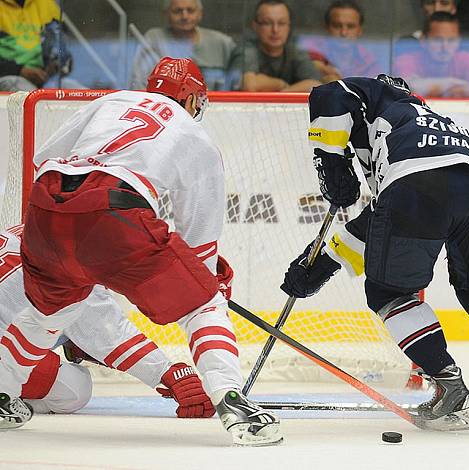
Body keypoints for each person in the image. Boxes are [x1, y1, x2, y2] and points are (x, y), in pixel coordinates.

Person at [0, 57, 282, 446]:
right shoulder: (197, 138)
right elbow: (199, 244)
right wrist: (204, 281)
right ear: (192, 100)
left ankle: (1, 394)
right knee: (204, 306)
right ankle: (233, 401)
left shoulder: (113, 100)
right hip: (113, 211)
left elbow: (43, 157)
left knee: (47, 312)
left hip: (45, 207)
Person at [281, 75, 469, 432]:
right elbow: (378, 221)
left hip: (418, 190)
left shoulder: (374, 102)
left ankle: (451, 391)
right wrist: (324, 263)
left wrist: (332, 161)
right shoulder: (429, 121)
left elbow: (330, 94)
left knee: (389, 292)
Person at [0, 224, 215, 418]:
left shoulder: (37, 229)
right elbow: (109, 333)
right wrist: (168, 373)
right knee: (75, 388)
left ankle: (69, 340)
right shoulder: (74, 263)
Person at [129, 0, 236, 91]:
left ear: (200, 13)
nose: (184, 16)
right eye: (177, 11)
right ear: (166, 14)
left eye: (190, 10)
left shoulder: (220, 41)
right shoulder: (154, 38)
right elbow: (139, 84)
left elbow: (236, 79)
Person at [393, 12, 469, 98]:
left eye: (451, 40)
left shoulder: (464, 58)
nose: (445, 47)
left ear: (459, 41)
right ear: (423, 41)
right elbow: (407, 87)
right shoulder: (407, 59)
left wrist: (456, 90)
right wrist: (452, 83)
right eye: (438, 40)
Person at [230, 0, 321, 92]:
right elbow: (249, 85)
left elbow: (316, 85)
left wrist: (283, 93)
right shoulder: (246, 49)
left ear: (289, 26)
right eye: (267, 23)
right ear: (255, 26)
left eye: (281, 23)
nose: (275, 30)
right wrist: (280, 84)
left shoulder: (294, 50)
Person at [0, 0, 81, 91]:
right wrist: (19, 70)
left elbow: (62, 45)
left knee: (82, 94)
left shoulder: (46, 3)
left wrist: (56, 64)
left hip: (45, 80)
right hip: (8, 77)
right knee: (31, 97)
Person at [301, 0, 382, 83]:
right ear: (327, 28)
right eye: (337, 26)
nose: (344, 33)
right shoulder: (312, 52)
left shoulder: (368, 62)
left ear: (360, 30)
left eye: (350, 26)